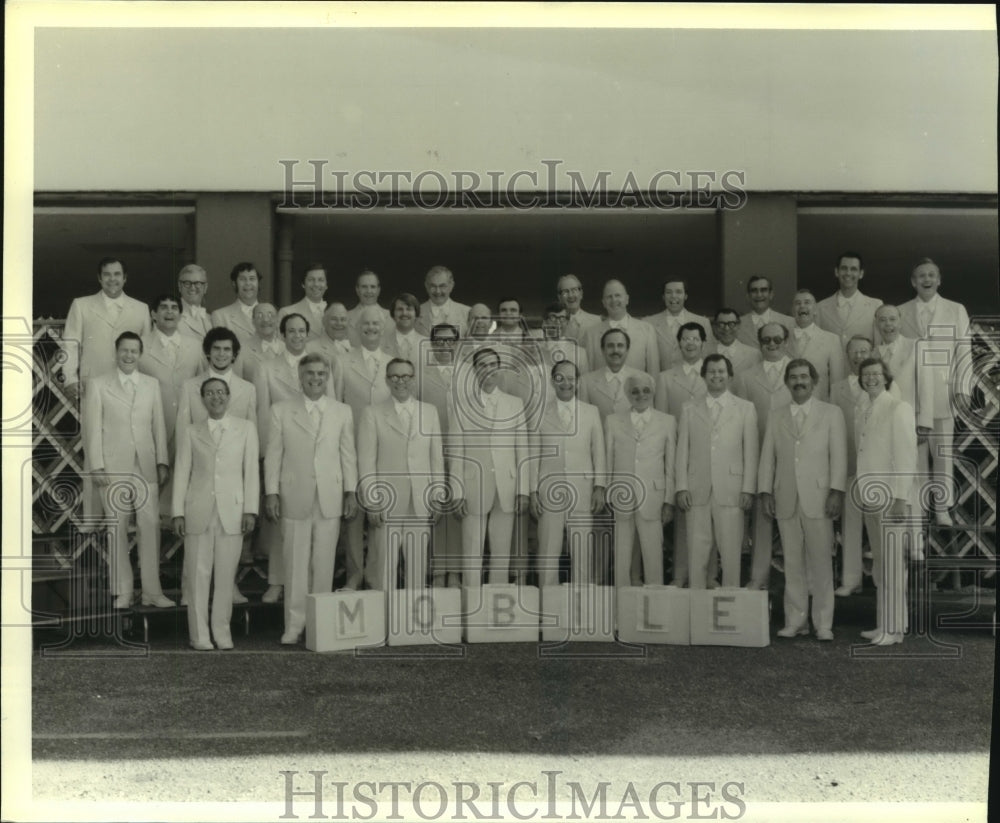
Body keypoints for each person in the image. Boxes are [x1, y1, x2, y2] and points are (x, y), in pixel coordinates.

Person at [264, 353, 359, 644]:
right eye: (310, 374)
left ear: (327, 376)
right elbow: (274, 455)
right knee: (295, 562)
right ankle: (294, 624)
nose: (315, 379)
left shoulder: (342, 411)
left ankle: (320, 624)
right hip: (295, 494)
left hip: (329, 495)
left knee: (324, 561)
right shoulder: (281, 410)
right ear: (300, 377)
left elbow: (348, 455)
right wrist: (271, 492)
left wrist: (350, 492)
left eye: (321, 374)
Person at [758, 359, 846, 641]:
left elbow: (839, 456)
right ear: (787, 382)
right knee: (792, 562)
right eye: (793, 377)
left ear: (814, 380)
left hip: (819, 497)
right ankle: (795, 620)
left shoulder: (831, 413)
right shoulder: (776, 414)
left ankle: (823, 623)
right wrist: (765, 491)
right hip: (786, 496)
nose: (799, 382)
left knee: (821, 561)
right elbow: (767, 457)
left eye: (804, 377)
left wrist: (836, 491)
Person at [83, 332, 170, 608]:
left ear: (140, 354)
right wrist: (96, 464)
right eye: (124, 350)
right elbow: (92, 428)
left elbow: (158, 425)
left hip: (145, 464)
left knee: (151, 525)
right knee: (116, 527)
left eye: (134, 351)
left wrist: (162, 461)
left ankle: (152, 592)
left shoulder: (151, 384)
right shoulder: (98, 385)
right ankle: (123, 590)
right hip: (113, 465)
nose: (129, 355)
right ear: (115, 352)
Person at [172, 377, 259, 650]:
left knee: (225, 575)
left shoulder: (246, 429)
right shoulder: (191, 431)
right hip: (198, 510)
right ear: (202, 398)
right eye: (210, 393)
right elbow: (182, 472)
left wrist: (250, 510)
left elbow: (251, 473)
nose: (216, 397)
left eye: (221, 392)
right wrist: (177, 512)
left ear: (229, 396)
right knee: (198, 575)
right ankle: (199, 635)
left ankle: (222, 632)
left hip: (232, 511)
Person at [175, 326, 257, 605]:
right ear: (207, 352)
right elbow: (183, 432)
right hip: (200, 477)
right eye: (216, 349)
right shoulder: (190, 386)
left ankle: (228, 587)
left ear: (234, 355)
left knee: (228, 542)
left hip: (231, 482)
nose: (221, 354)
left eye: (227, 350)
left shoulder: (247, 389)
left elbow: (250, 439)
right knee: (197, 541)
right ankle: (191, 590)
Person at [895, 258, 972, 527]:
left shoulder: (955, 309)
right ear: (913, 282)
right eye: (920, 276)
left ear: (939, 280)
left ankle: (942, 508)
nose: (926, 279)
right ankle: (917, 508)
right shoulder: (900, 312)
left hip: (942, 391)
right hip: (911, 394)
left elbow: (964, 351)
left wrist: (962, 390)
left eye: (931, 275)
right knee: (914, 454)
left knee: (941, 452)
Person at [357, 358, 445, 591]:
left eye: (406, 376)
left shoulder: (429, 412)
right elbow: (366, 462)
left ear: (414, 380)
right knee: (385, 566)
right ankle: (385, 619)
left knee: (417, 566)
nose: (400, 381)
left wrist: (436, 497)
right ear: (387, 380)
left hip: (420, 500)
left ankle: (411, 623)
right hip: (387, 501)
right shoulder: (372, 414)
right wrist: (372, 502)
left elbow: (436, 459)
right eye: (394, 376)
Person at [675, 354, 758, 589]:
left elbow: (750, 452)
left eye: (721, 371)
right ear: (703, 376)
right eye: (711, 371)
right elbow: (683, 450)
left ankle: (731, 604)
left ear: (730, 376)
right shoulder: (689, 408)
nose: (716, 376)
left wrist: (748, 489)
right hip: (697, 488)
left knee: (731, 552)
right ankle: (697, 605)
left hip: (731, 489)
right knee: (697, 551)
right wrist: (681, 486)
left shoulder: (745, 408)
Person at [450, 347, 530, 586]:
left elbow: (522, 450)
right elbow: (456, 452)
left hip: (506, 485)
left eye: (492, 366)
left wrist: (523, 490)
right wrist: (457, 492)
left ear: (499, 369)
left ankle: (497, 597)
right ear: (474, 371)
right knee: (472, 549)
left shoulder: (514, 404)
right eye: (482, 366)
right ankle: (471, 603)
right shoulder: (462, 405)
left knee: (502, 550)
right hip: (474, 484)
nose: (487, 371)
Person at [854, 357, 917, 646]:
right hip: (870, 497)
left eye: (876, 374)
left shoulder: (898, 408)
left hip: (891, 498)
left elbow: (906, 456)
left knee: (892, 565)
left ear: (886, 377)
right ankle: (887, 624)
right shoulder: (862, 408)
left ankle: (892, 630)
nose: (871, 379)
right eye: (866, 374)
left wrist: (900, 498)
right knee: (880, 565)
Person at [530, 361, 607, 587]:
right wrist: (533, 491)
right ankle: (548, 605)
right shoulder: (540, 413)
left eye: (571, 378)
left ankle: (580, 605)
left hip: (582, 489)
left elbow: (598, 452)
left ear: (578, 381)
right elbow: (533, 456)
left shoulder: (591, 412)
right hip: (548, 490)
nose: (566, 383)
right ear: (553, 381)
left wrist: (599, 487)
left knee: (582, 549)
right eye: (560, 378)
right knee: (548, 550)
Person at [733, 322, 793, 591]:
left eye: (777, 340)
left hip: (793, 452)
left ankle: (799, 579)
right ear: (759, 343)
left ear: (785, 341)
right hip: (759, 452)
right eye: (766, 340)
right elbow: (742, 417)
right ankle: (758, 578)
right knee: (762, 518)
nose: (772, 345)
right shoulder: (746, 376)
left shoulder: (798, 370)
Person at [339, 306, 394, 589]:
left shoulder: (394, 362)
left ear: (383, 328)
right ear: (356, 328)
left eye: (376, 323)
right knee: (354, 515)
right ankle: (354, 572)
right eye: (365, 323)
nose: (371, 328)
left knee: (380, 512)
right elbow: (335, 403)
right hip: (350, 443)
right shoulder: (342, 361)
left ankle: (376, 575)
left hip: (384, 449)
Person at [604, 372, 675, 590]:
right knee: (622, 556)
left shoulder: (667, 421)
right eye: (634, 391)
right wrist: (608, 494)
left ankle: (656, 610)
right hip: (622, 497)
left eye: (646, 390)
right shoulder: (613, 421)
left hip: (653, 497)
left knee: (653, 554)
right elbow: (608, 460)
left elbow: (670, 465)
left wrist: (668, 500)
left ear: (653, 392)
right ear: (627, 394)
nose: (640, 395)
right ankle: (620, 609)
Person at [652, 321, 707, 586]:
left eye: (695, 339)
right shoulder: (665, 377)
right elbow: (662, 418)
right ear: (679, 343)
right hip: (676, 451)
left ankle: (709, 575)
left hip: (706, 454)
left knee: (706, 518)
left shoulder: (714, 374)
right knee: (682, 519)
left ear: (702, 343)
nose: (690, 343)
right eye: (685, 339)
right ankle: (679, 574)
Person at [57, 257, 151, 402]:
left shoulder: (141, 308)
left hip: (130, 383)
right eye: (107, 274)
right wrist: (70, 378)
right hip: (92, 382)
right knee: (93, 424)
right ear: (99, 278)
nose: (112, 279)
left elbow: (146, 350)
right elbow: (71, 344)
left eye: (117, 274)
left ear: (125, 278)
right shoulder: (81, 305)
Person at [829, 335, 878, 597]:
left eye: (864, 351)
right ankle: (850, 579)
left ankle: (882, 578)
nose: (859, 356)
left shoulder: (880, 386)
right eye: (854, 352)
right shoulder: (837, 388)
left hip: (874, 464)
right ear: (847, 356)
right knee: (850, 525)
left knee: (877, 526)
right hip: (848, 462)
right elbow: (832, 428)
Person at [417, 323, 463, 588]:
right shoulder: (421, 374)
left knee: (455, 510)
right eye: (440, 341)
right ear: (433, 344)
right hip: (429, 450)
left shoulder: (468, 374)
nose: (445, 346)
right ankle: (435, 570)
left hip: (460, 451)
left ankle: (454, 570)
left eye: (450, 341)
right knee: (433, 508)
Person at [138, 294, 204, 457]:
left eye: (174, 308)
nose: (169, 312)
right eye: (164, 307)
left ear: (180, 315)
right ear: (153, 314)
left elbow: (202, 383)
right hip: (153, 425)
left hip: (188, 424)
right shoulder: (140, 345)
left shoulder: (196, 346)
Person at [580, 280, 660, 377]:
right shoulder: (591, 334)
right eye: (609, 297)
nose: (614, 300)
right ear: (603, 302)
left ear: (627, 299)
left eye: (618, 295)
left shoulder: (647, 330)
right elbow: (589, 375)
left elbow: (653, 374)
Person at [786, 289, 847, 401]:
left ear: (815, 310)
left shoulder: (831, 339)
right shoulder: (782, 338)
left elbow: (837, 382)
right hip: (788, 403)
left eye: (807, 302)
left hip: (820, 405)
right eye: (798, 303)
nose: (802, 306)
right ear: (792, 311)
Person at [643, 279, 714, 369]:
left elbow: (710, 359)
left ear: (686, 296)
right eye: (668, 292)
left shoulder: (703, 322)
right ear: (663, 296)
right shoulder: (648, 323)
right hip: (661, 381)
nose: (673, 296)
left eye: (678, 292)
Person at [578, 328, 647, 420]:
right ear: (603, 350)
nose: (615, 350)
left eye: (620, 345)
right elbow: (584, 420)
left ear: (627, 349)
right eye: (610, 346)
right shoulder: (586, 381)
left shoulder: (644, 379)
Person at [816, 252, 882, 346]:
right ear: (836, 272)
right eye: (844, 268)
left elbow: (879, 346)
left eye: (853, 269)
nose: (848, 273)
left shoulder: (876, 306)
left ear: (861, 274)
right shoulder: (820, 307)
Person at [736, 275, 795, 348]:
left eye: (763, 290)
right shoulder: (738, 325)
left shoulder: (789, 323)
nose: (759, 295)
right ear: (748, 296)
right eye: (754, 291)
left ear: (771, 294)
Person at [210, 262, 260, 347]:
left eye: (252, 279)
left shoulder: (273, 314)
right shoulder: (220, 316)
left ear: (258, 283)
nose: (248, 283)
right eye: (242, 279)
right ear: (234, 284)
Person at [381, 293, 428, 382]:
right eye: (399, 309)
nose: (404, 313)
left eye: (409, 309)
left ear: (416, 314)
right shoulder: (380, 344)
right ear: (393, 314)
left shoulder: (428, 344)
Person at [415, 265, 471, 337]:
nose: (438, 291)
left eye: (442, 286)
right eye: (433, 286)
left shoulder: (467, 313)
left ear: (451, 286)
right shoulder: (415, 314)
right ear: (426, 286)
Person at [278, 263, 329, 341]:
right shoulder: (287, 312)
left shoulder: (336, 313)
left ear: (326, 285)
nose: (316, 284)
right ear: (303, 284)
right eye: (311, 280)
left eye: (320, 280)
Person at [537, 303, 590, 374]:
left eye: (562, 318)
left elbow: (583, 383)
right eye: (553, 318)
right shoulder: (535, 351)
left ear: (567, 323)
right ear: (544, 323)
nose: (558, 322)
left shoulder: (580, 354)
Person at [239, 303, 284, 386]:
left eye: (270, 315)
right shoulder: (241, 349)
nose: (266, 320)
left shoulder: (287, 348)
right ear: (252, 320)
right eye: (260, 316)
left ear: (278, 320)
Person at [345, 270, 392, 346]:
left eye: (373, 287)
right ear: (357, 289)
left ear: (378, 290)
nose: (369, 291)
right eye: (364, 287)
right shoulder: (346, 317)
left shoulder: (391, 317)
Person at [710, 307, 762, 374]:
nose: (726, 329)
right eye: (721, 324)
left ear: (738, 326)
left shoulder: (754, 355)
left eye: (731, 324)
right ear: (715, 327)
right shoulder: (706, 353)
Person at [556, 274, 601, 343]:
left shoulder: (596, 322)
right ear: (560, 297)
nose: (570, 295)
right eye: (565, 291)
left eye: (574, 290)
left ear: (581, 294)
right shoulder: (553, 322)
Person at [175, 264, 213, 340]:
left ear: (205, 287)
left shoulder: (212, 318)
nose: (192, 288)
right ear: (179, 286)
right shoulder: (172, 316)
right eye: (187, 283)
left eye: (198, 283)